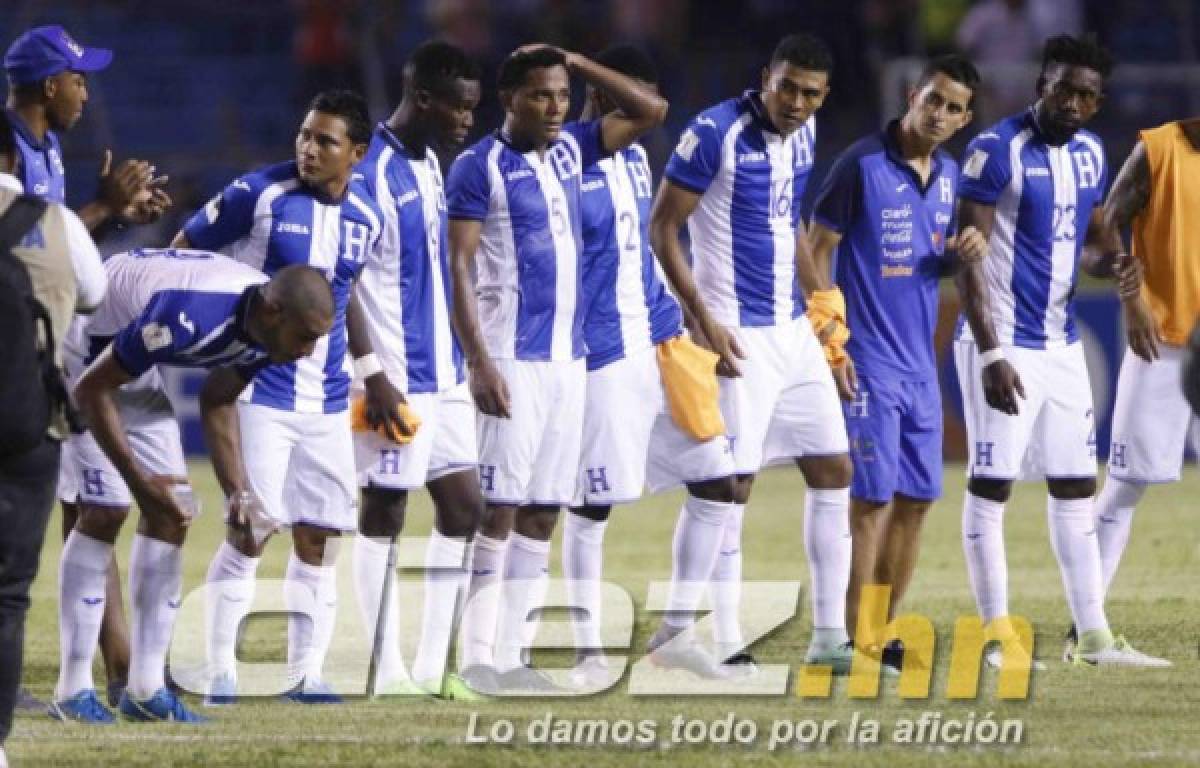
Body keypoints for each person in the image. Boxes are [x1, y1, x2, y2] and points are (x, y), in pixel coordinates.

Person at [446, 45, 666, 693]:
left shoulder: (573, 148)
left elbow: (651, 109)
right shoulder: (476, 167)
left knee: (543, 512)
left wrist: (574, 60)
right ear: (507, 98)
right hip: (511, 357)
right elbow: (457, 265)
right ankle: (475, 659)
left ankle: (511, 658)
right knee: (500, 511)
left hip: (570, 363)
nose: (554, 107)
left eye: (563, 96)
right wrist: (479, 361)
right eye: (541, 94)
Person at [648, 33, 860, 674]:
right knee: (728, 485)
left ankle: (829, 638)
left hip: (792, 332)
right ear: (765, 75)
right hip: (734, 330)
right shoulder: (712, 133)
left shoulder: (805, 133)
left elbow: (786, 217)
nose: (796, 102)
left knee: (833, 471)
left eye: (810, 93)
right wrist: (701, 317)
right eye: (787, 86)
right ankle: (695, 634)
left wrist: (822, 315)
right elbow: (663, 226)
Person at [954, 34, 1167, 667]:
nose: (1072, 101)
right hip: (1005, 344)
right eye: (1064, 87)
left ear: (1097, 103)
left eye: (1086, 94)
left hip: (1063, 342)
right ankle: (995, 641)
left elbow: (1088, 243)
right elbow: (968, 259)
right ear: (1041, 82)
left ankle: (1094, 637)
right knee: (991, 488)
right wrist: (991, 355)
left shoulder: (1091, 155)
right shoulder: (994, 150)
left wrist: (1115, 265)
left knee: (1076, 487)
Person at [174, 90, 391, 703]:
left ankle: (305, 675)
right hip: (258, 393)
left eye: (325, 140)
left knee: (318, 536)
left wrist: (368, 370)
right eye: (304, 135)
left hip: (325, 400)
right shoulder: (257, 195)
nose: (308, 148)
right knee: (251, 530)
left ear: (358, 152)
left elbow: (339, 304)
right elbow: (183, 256)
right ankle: (216, 671)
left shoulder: (367, 219)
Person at [59, 251, 333, 724]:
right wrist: (141, 485)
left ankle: (145, 689)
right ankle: (72, 689)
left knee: (173, 511)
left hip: (130, 356)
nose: (308, 351)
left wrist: (240, 493)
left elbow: (218, 396)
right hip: (84, 347)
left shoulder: (271, 327)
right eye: (306, 337)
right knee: (107, 508)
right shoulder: (187, 313)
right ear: (273, 313)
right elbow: (91, 390)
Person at [4, 23, 170, 711]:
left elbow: (55, 251)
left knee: (91, 507)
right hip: (17, 360)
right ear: (49, 85)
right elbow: (13, 243)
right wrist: (99, 207)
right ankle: (101, 679)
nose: (84, 91)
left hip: (51, 349)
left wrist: (112, 214)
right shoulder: (6, 148)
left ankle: (115, 674)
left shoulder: (46, 148)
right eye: (78, 79)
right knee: (86, 509)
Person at [565, 44, 737, 686]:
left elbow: (649, 243)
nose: (647, 114)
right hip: (603, 352)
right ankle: (588, 653)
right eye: (635, 98)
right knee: (592, 504)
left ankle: (675, 636)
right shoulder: (563, 161)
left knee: (718, 480)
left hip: (660, 339)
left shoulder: (635, 158)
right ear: (608, 99)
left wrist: (691, 319)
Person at [808, 55, 984, 669]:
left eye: (953, 107)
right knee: (872, 502)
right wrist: (832, 338)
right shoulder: (861, 164)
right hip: (868, 363)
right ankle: (856, 636)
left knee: (916, 501)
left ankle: (880, 630)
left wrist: (958, 256)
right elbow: (816, 246)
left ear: (965, 119)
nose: (939, 114)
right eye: (932, 99)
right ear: (911, 95)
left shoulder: (951, 176)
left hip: (919, 368)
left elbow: (926, 261)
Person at [349, 40, 484, 700]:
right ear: (423, 100)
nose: (467, 121)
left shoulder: (433, 164)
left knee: (465, 506)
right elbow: (340, 280)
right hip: (394, 375)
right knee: (385, 509)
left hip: (447, 377)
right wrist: (372, 372)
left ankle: (433, 668)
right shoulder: (368, 172)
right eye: (460, 109)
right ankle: (384, 666)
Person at [0, 118, 105, 766]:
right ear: (13, 156)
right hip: (27, 425)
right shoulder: (59, 223)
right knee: (8, 594)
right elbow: (91, 295)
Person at [1082, 116, 1200, 656]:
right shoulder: (1159, 149)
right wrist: (1130, 298)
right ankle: (1085, 625)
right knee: (1126, 484)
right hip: (1165, 340)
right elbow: (1102, 229)